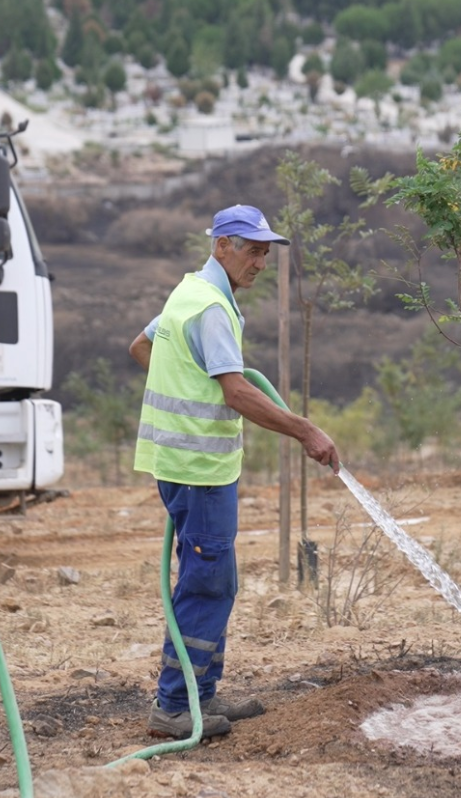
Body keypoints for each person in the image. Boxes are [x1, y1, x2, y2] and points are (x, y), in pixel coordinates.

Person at [129, 204, 339, 739]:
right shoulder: (212, 309)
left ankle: (201, 693)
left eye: (266, 252)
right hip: (199, 468)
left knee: (213, 579)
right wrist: (305, 431)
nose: (260, 261)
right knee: (207, 584)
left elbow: (142, 347)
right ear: (221, 244)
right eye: (252, 249)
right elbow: (238, 391)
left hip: (183, 465)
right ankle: (173, 707)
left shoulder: (190, 293)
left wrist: (186, 377)